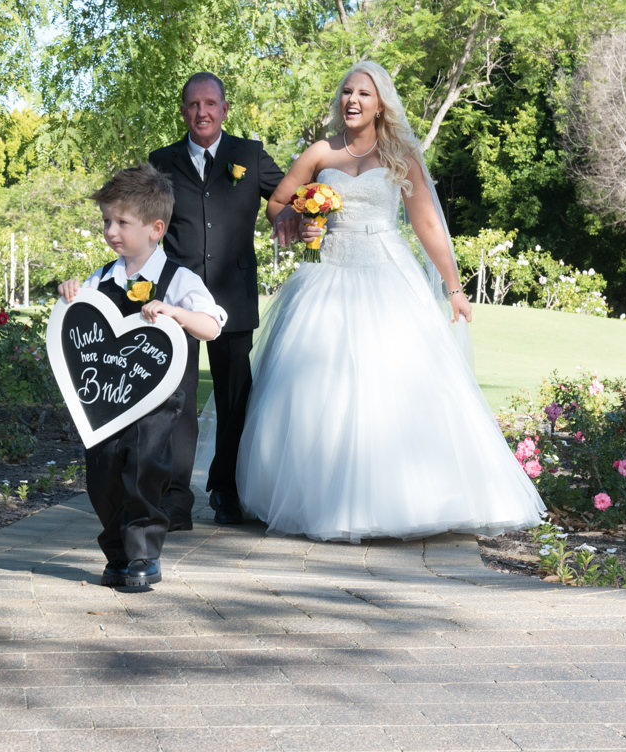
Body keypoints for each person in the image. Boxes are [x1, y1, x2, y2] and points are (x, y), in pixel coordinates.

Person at [235, 61, 545, 541]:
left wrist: (455, 288)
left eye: (364, 93)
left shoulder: (401, 156)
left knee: (396, 380)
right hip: (327, 275)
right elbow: (277, 205)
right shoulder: (320, 153)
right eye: (347, 92)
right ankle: (320, 499)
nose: (353, 100)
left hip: (387, 275)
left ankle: (408, 500)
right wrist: (298, 221)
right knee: (316, 386)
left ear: (380, 103)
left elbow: (427, 225)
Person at [57, 165, 225, 589]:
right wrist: (75, 297)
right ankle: (116, 553)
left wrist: (176, 312)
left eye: (121, 222)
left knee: (145, 473)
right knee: (103, 475)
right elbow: (81, 330)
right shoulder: (101, 278)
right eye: (106, 222)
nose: (111, 231)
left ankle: (144, 555)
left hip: (158, 406)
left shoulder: (179, 280)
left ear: (155, 228)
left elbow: (212, 326)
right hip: (107, 402)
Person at [149, 73, 289, 527]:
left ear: (225, 109)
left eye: (210, 104)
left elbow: (288, 196)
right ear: (183, 110)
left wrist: (306, 216)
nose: (202, 112)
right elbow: (145, 224)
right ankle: (174, 500)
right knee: (177, 399)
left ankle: (226, 491)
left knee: (234, 398)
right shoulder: (162, 161)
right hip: (177, 299)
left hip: (234, 294)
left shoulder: (248, 154)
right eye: (193, 105)